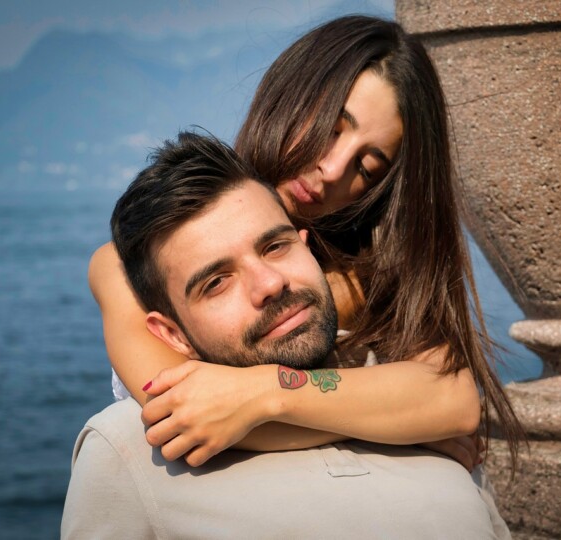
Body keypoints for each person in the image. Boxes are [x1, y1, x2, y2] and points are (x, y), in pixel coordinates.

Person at [88, 15, 522, 469]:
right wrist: (392, 426)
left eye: (367, 167)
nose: (333, 170)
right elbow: (187, 413)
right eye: (333, 129)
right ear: (290, 95)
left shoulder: (369, 277)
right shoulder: (121, 267)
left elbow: (451, 401)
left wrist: (263, 392)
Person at [61, 133, 509, 539]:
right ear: (171, 334)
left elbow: (452, 399)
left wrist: (275, 393)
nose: (269, 284)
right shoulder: (129, 454)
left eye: (275, 246)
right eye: (216, 281)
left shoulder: (408, 398)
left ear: (307, 244)